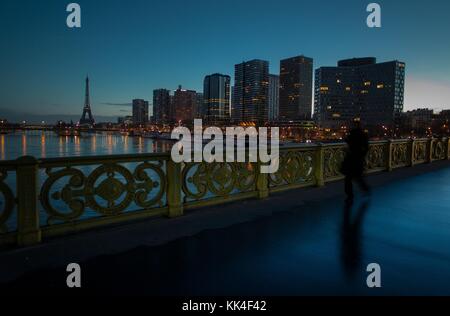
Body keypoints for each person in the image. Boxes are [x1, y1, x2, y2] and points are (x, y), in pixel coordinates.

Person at [341, 121, 370, 201]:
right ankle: (365, 190)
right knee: (358, 177)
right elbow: (366, 147)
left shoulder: (351, 134)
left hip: (351, 158)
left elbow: (347, 142)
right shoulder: (363, 135)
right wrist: (362, 155)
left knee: (348, 177)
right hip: (358, 159)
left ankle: (349, 194)